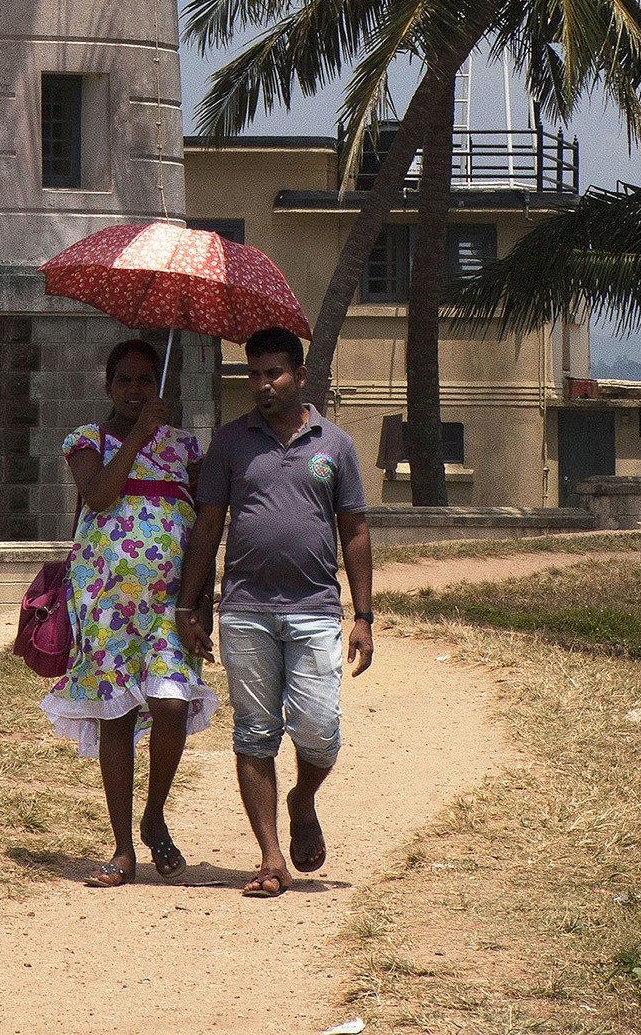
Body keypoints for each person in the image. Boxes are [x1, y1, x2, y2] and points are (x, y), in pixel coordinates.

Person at [175, 324, 373, 899]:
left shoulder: (334, 444)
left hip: (314, 609)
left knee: (319, 729)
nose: (261, 384)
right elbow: (208, 525)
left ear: (300, 377)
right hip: (246, 609)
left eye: (273, 373)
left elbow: (354, 529)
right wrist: (192, 604)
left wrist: (363, 615)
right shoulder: (232, 443)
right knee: (254, 733)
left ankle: (302, 798)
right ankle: (268, 858)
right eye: (253, 373)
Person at [42, 334, 215, 887]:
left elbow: (205, 531)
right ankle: (121, 849)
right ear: (109, 386)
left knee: (170, 705)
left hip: (170, 606)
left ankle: (154, 813)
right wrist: (138, 437)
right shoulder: (86, 440)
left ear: (160, 384)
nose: (136, 389)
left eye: (146, 379)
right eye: (125, 380)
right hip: (105, 605)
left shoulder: (186, 448)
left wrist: (200, 607)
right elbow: (98, 495)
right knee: (115, 716)